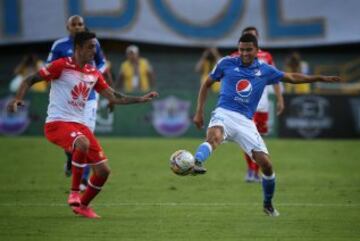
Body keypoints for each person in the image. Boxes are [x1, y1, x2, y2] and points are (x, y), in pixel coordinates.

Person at [7, 31, 159, 218]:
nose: (93, 51)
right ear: (78, 48)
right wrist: (17, 99)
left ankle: (83, 206)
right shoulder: (60, 66)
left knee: (103, 171)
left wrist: (141, 99)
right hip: (57, 123)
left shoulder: (93, 73)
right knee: (83, 143)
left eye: (95, 47)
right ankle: (74, 192)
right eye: (90, 47)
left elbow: (113, 96)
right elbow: (29, 79)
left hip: (80, 126)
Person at [192, 33, 340, 216]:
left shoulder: (265, 70)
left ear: (256, 50)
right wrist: (199, 111)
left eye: (248, 50)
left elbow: (292, 77)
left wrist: (319, 78)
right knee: (214, 137)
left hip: (246, 122)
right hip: (224, 113)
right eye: (241, 49)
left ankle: (267, 204)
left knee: (266, 164)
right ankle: (196, 161)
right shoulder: (226, 63)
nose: (244, 53)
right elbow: (206, 84)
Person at [47, 15, 109, 190]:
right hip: (67, 98)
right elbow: (50, 67)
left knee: (86, 136)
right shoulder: (60, 46)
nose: (77, 27)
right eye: (74, 24)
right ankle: (70, 159)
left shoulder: (93, 44)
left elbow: (103, 63)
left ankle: (83, 180)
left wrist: (92, 74)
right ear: (68, 27)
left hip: (88, 97)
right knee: (77, 142)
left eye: (80, 24)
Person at [236, 26, 284, 183]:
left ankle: (255, 171)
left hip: (262, 104)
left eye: (252, 35)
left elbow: (275, 78)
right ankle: (251, 170)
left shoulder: (266, 56)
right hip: (245, 104)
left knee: (259, 138)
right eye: (246, 35)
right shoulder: (236, 56)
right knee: (247, 137)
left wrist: (279, 99)